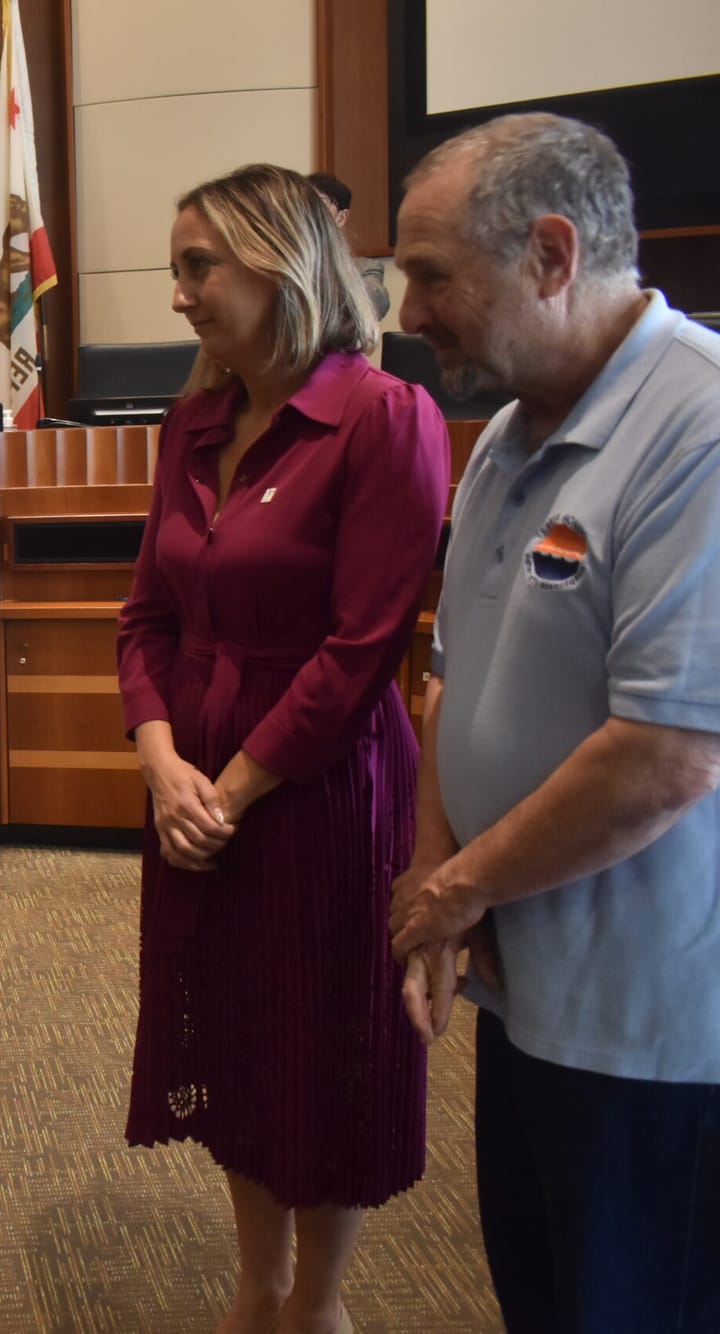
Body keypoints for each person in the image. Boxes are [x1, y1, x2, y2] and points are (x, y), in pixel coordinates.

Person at [388, 113, 720, 1333]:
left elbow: (665, 754)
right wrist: (440, 867)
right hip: (525, 996)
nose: (409, 313)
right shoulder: (505, 432)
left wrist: (454, 887)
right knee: (545, 1300)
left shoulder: (698, 426)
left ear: (548, 253)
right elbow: (448, 676)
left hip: (652, 1033)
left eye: (432, 276)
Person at [117, 164, 450, 1334]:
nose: (177, 295)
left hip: (316, 791)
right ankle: (254, 1283)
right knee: (237, 1033)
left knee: (318, 1047)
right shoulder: (191, 422)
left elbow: (360, 651)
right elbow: (144, 619)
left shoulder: (383, 416)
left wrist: (226, 790)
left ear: (279, 264)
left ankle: (315, 1303)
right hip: (195, 788)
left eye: (196, 267)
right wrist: (161, 764)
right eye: (176, 270)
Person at [306, 171, 392, 321]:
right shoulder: (282, 263)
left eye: (320, 203)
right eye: (304, 203)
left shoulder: (364, 269)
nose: (310, 211)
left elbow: (373, 305)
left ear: (341, 217)